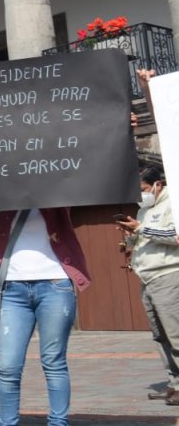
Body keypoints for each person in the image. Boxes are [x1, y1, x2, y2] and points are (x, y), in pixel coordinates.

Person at [0, 197, 91, 425]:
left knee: (53, 361)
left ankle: (58, 422)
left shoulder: (55, 191)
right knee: (8, 366)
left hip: (55, 284)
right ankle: (8, 422)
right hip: (12, 287)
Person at [121, 164, 179, 405]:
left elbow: (174, 237)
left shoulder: (171, 204)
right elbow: (144, 237)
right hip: (146, 278)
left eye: (144, 189)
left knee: (176, 334)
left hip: (167, 276)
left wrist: (142, 228)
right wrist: (132, 234)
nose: (141, 195)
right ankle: (174, 384)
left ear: (158, 184)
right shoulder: (143, 210)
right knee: (160, 335)